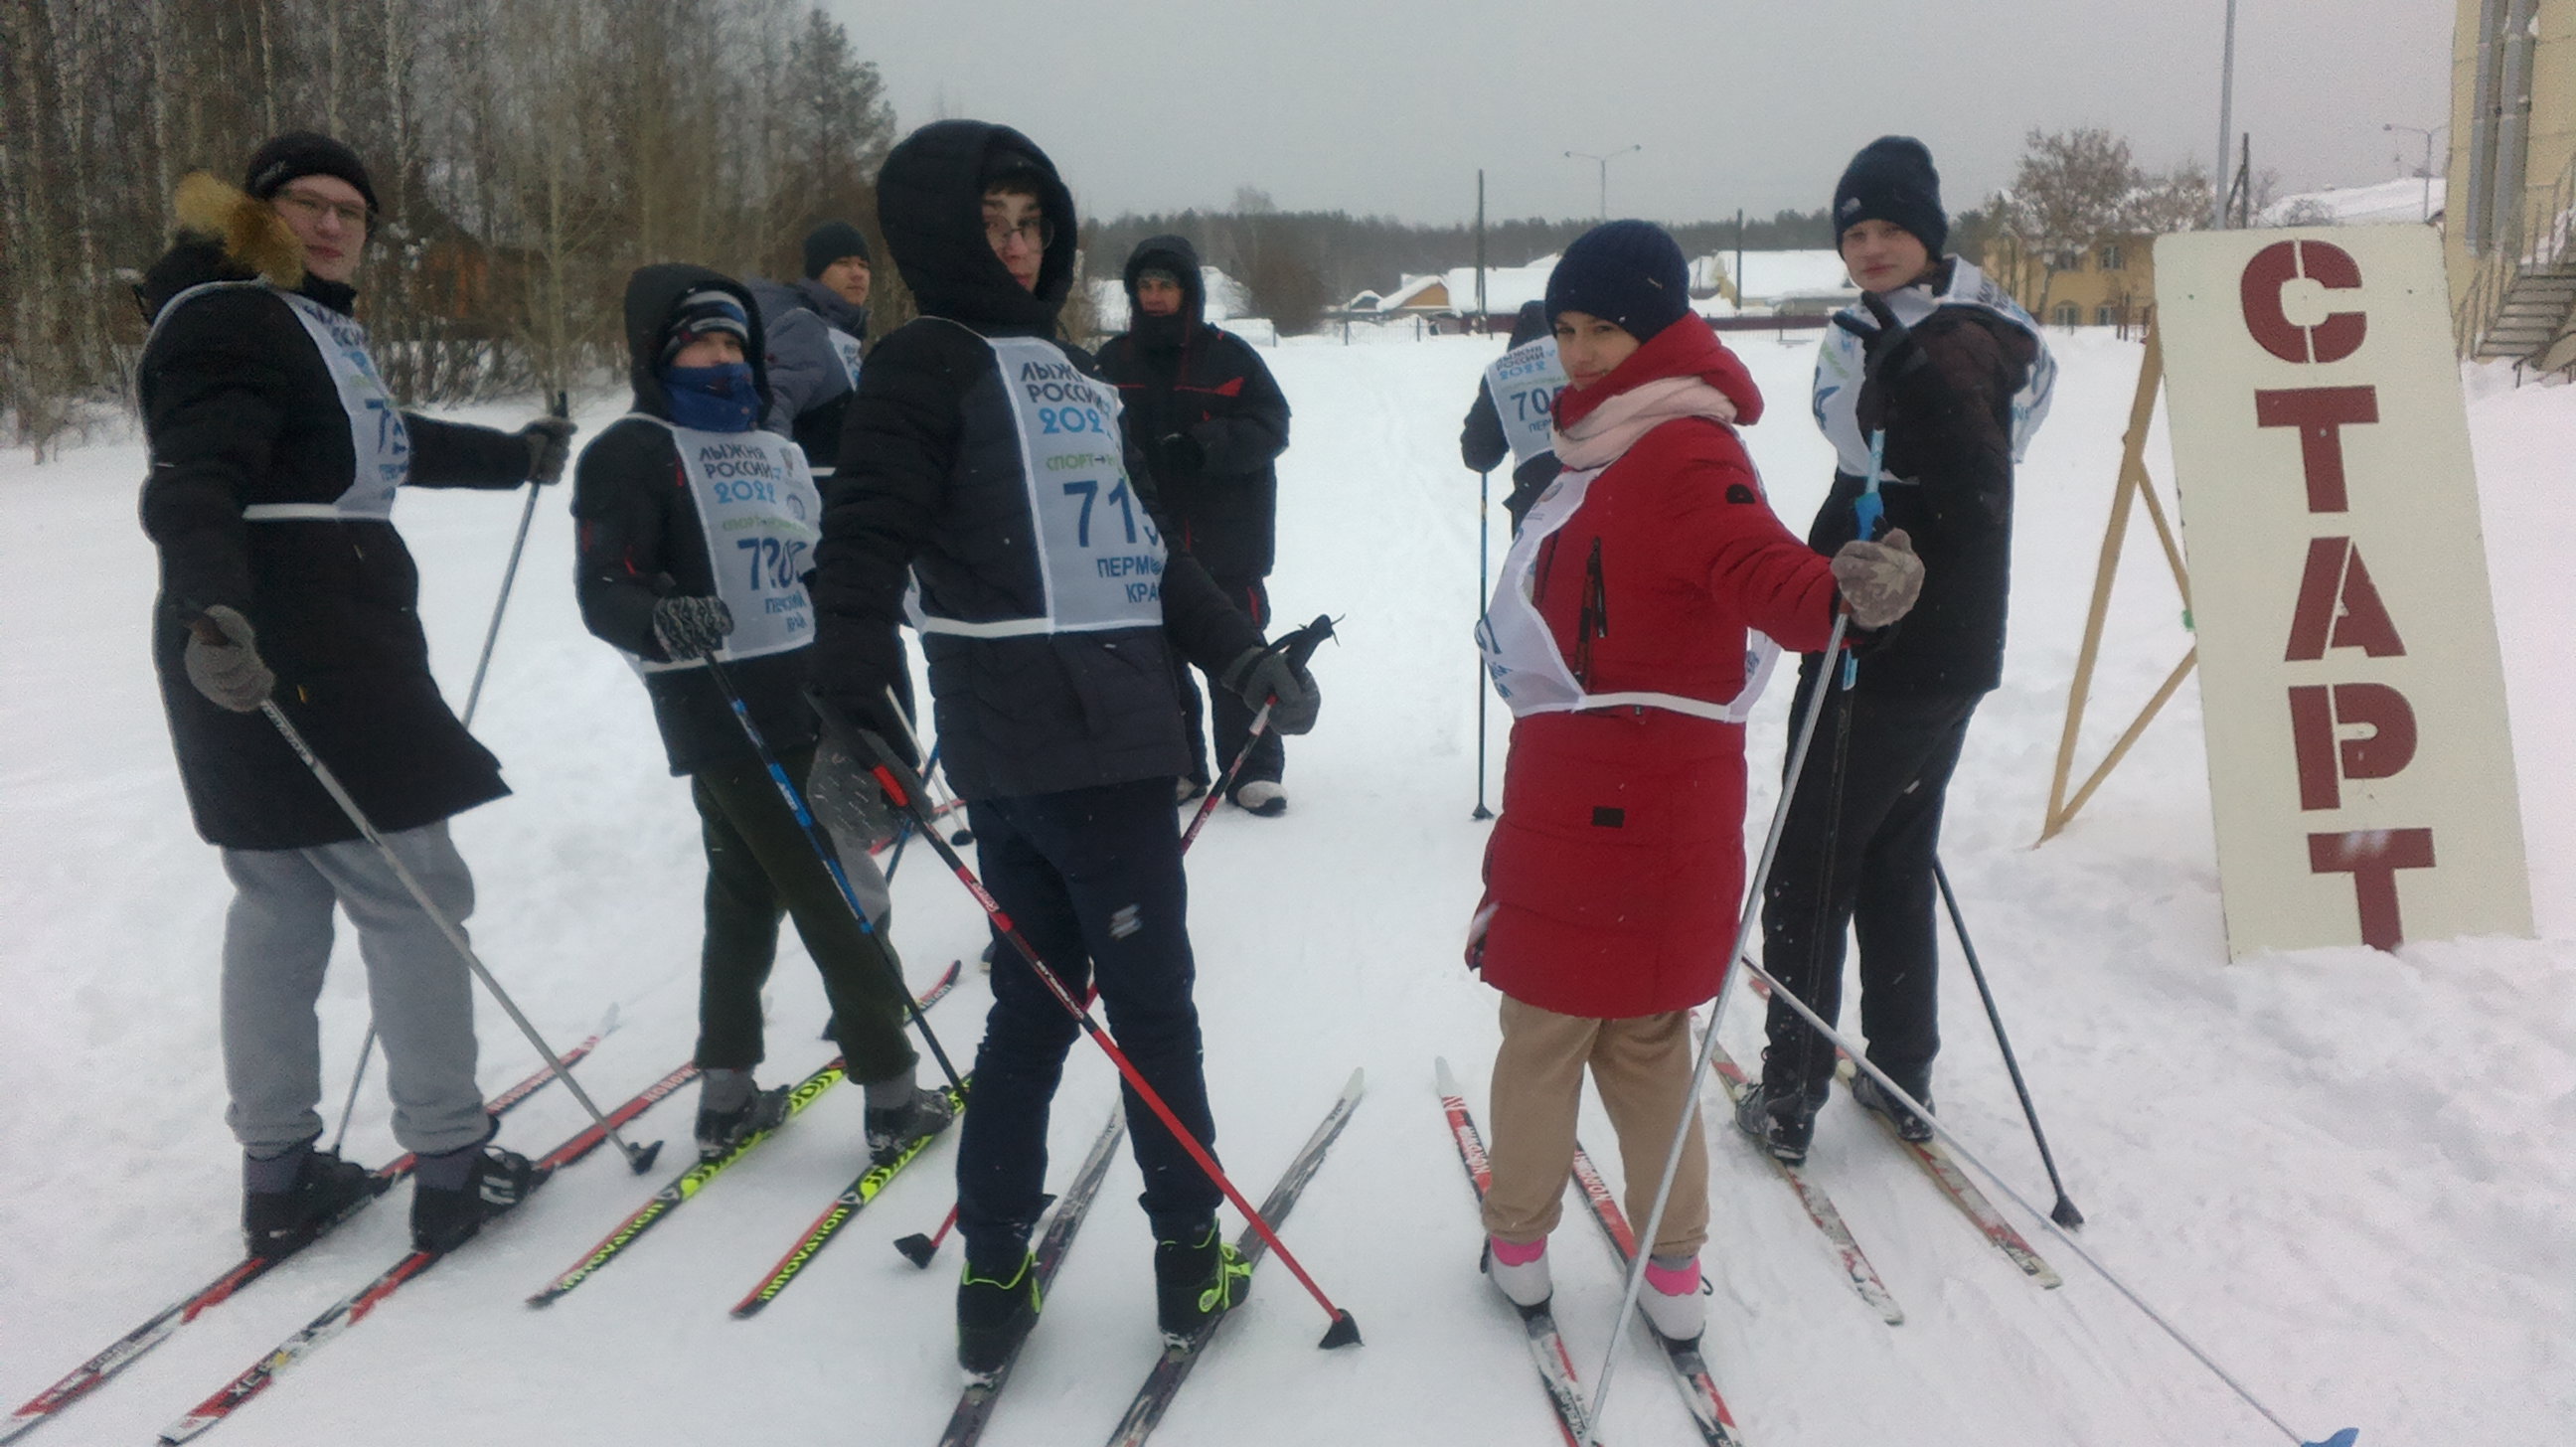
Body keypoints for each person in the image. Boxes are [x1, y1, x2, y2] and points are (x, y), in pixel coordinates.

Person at [807, 120, 1320, 1376]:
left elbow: (1149, 557)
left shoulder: (1074, 376)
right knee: (1149, 1012)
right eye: (992, 223)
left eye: (1033, 222)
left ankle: (993, 1277)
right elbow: (860, 550)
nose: (1019, 245)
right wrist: (852, 707)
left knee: (1034, 1014)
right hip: (1067, 754)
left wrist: (1242, 659)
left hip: (1086, 746)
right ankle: (1190, 1262)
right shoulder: (925, 362)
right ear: (939, 234)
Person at [1465, 221, 1922, 1342]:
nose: (1577, 353)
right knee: (1640, 1044)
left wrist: (1841, 591)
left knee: (1552, 1040)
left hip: (1606, 806)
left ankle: (1523, 1247)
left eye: (1604, 328)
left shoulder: (1678, 450)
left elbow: (1759, 566)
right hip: (1640, 807)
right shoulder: (1610, 445)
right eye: (1566, 328)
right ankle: (1667, 1274)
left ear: (1661, 327)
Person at [134, 132, 578, 1256]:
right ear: (252, 213)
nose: (331, 225)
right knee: (412, 894)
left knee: (279, 901)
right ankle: (449, 1164)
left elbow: (384, 443)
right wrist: (212, 609)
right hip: (292, 638)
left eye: (352, 211)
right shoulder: (236, 318)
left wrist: (509, 456)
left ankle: (279, 1175)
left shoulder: (301, 326)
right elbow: (194, 480)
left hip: (269, 631)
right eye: (305, 204)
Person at [569, 264, 950, 1164]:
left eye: (735, 342)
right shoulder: (630, 449)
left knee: (743, 897)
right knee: (839, 892)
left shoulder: (775, 449)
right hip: (723, 709)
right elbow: (602, 587)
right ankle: (892, 1093)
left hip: (803, 694)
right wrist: (659, 617)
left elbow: (819, 563)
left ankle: (728, 1092)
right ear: (658, 355)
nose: (721, 359)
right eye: (701, 342)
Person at [1735, 136, 2054, 1164]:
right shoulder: (1978, 324)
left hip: (1885, 644)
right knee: (1891, 854)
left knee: (1808, 862)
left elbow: (1962, 481)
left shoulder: (1938, 339)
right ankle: (1901, 1073)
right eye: (1855, 231)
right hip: (1947, 646)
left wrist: (1886, 559)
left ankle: (1788, 1093)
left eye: (1891, 229)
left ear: (1929, 234)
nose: (1871, 248)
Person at [1094, 235, 1296, 814]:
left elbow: (1272, 424)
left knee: (1236, 650)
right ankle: (1177, 766)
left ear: (1189, 292)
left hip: (1225, 541)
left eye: (1167, 285)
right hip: (1138, 538)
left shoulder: (1229, 356)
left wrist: (1206, 446)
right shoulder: (1110, 362)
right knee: (1153, 661)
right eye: (1145, 286)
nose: (1155, 296)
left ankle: (1251, 769)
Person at [746, 221, 873, 472]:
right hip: (814, 498)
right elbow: (771, 407)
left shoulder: (840, 335)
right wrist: (782, 478)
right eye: (843, 263)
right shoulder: (804, 327)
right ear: (818, 272)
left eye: (864, 265)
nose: (857, 273)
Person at [1459, 300, 1567, 534]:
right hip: (1598, 497)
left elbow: (1479, 455)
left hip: (1535, 506)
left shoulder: (1502, 375)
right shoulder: (1585, 362)